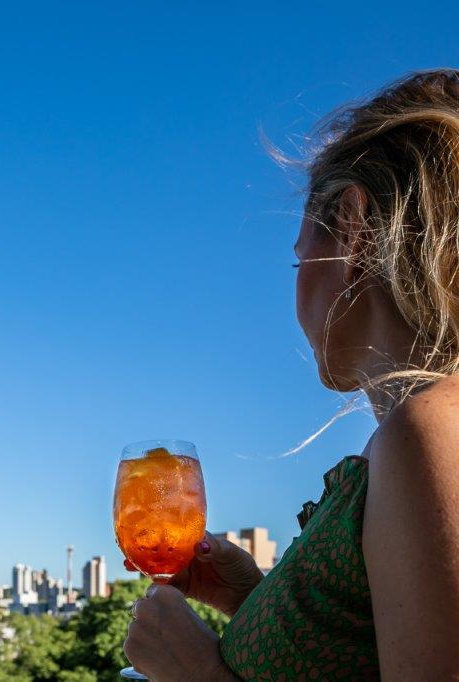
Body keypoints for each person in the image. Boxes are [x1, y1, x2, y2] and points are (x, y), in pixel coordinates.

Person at [122, 69, 459, 680]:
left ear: (352, 230)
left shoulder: (432, 430)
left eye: (299, 255)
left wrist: (195, 672)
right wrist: (257, 600)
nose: (296, 287)